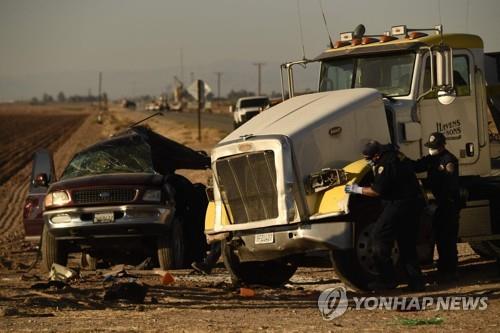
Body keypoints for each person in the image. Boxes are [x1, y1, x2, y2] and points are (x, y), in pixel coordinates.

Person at [345, 140, 425, 291]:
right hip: (412, 204)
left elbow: (377, 191)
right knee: (406, 244)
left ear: (376, 155)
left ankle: (387, 279)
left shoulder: (385, 164)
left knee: (379, 236)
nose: (368, 161)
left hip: (398, 204)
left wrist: (356, 189)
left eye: (369, 158)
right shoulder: (396, 156)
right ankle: (416, 283)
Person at [412, 132, 460, 283]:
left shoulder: (449, 160)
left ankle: (450, 270)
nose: (432, 150)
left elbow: (449, 185)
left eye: (435, 147)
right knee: (439, 236)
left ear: (442, 146)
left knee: (448, 239)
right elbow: (417, 166)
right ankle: (443, 268)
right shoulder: (432, 159)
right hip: (438, 204)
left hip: (448, 204)